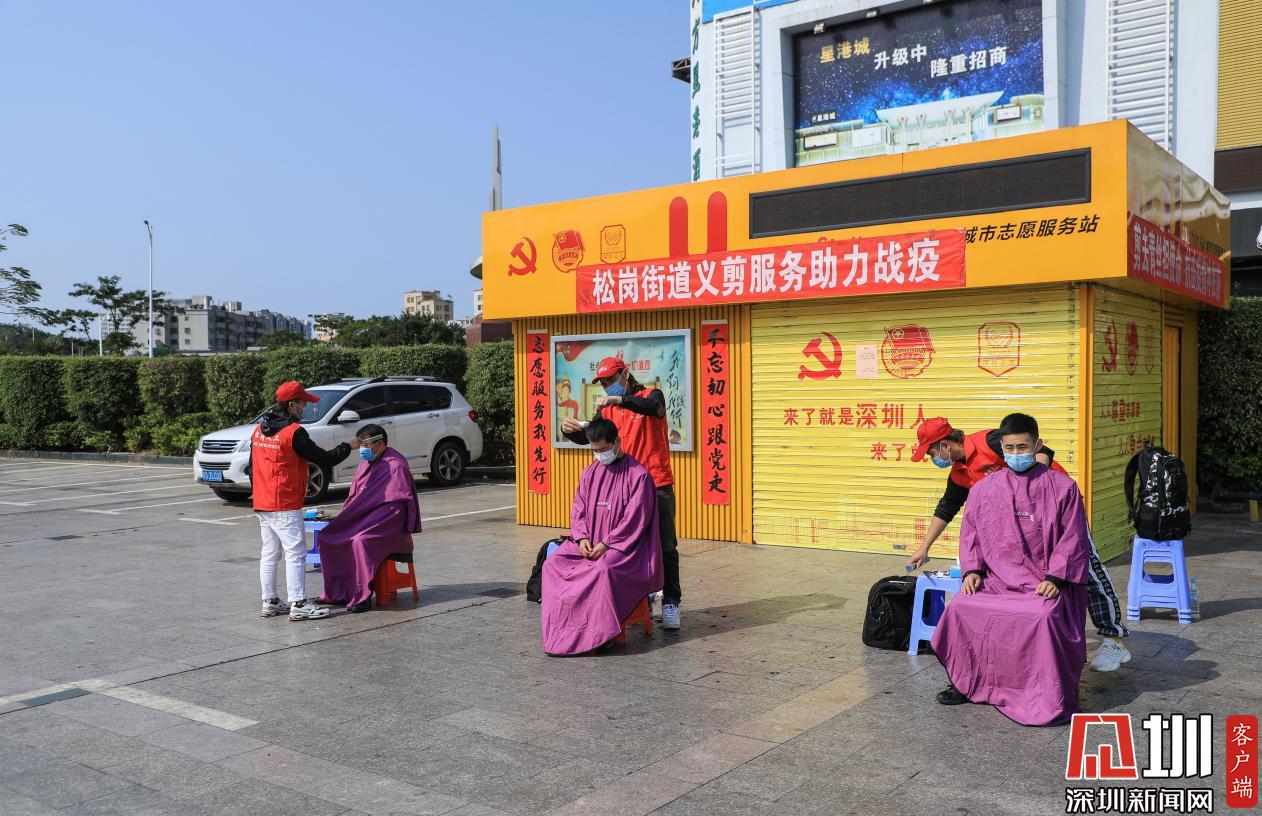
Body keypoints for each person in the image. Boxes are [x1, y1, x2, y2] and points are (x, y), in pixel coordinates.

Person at [907, 416, 1131, 673]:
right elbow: (946, 509)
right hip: (1017, 523)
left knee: (1085, 566)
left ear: (944, 445)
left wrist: (1036, 492)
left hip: (1055, 511)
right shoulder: (959, 474)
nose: (932, 458)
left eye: (931, 453)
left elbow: (1042, 452)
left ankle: (1114, 639)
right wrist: (924, 547)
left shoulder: (989, 441)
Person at [930, 413, 1092, 726]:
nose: (1016, 454)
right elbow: (971, 533)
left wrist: (1056, 577)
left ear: (1038, 445)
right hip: (998, 581)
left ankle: (1044, 692)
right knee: (961, 606)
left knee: (1042, 616)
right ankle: (967, 682)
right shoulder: (983, 489)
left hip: (1043, 582)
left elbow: (1073, 537)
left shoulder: (1064, 488)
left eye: (1023, 447)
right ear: (1001, 448)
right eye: (1010, 448)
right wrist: (973, 571)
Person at [561, 357, 682, 630]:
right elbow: (592, 435)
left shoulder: (651, 396)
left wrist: (619, 400)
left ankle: (671, 601)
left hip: (656, 482)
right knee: (628, 545)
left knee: (665, 545)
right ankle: (637, 599)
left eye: (611, 380)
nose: (607, 386)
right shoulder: (607, 409)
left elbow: (655, 409)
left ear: (626, 374)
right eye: (603, 383)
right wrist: (569, 430)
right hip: (624, 487)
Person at [541, 419, 663, 655]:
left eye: (604, 449)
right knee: (552, 564)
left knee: (603, 570)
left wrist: (607, 543)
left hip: (625, 549)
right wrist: (581, 538)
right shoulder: (590, 472)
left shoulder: (639, 476)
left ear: (617, 442)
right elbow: (578, 509)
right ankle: (562, 630)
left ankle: (601, 634)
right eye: (595, 450)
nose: (599, 455)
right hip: (589, 543)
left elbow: (635, 521)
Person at [252, 381, 352, 621]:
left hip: (263, 500)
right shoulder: (293, 432)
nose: (305, 407)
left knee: (270, 552)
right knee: (296, 552)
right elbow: (324, 458)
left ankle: (270, 601)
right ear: (291, 405)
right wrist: (348, 447)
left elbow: (252, 465)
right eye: (303, 403)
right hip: (284, 501)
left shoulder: (259, 429)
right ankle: (298, 603)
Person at [313, 424, 422, 613]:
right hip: (365, 518)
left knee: (360, 541)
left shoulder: (395, 465)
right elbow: (355, 497)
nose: (362, 449)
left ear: (380, 443)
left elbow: (398, 506)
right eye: (360, 445)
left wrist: (369, 522)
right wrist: (348, 517)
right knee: (327, 536)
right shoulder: (365, 464)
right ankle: (337, 593)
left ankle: (362, 595)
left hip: (388, 524)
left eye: (365, 445)